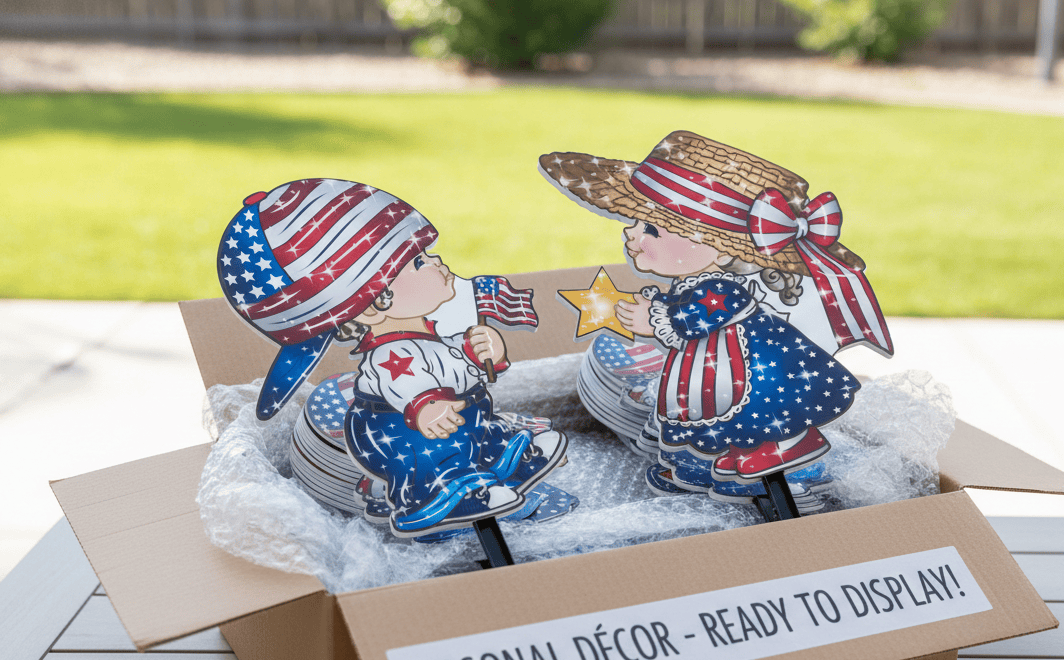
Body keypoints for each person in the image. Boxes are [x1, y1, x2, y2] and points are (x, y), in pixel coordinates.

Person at [539, 131, 892, 499]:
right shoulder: (692, 284)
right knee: (708, 409)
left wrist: (656, 319)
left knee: (747, 409)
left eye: (652, 229)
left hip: (747, 369)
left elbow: (696, 317)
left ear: (720, 252)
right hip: (709, 367)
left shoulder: (724, 289)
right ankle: (711, 464)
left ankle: (778, 451)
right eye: (636, 222)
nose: (631, 234)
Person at [218, 177, 566, 539]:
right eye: (418, 262)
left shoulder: (428, 334)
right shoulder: (390, 355)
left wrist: (482, 355)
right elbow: (407, 385)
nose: (437, 261)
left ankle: (503, 455)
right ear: (371, 305)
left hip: (448, 418)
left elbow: (450, 367)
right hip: (396, 432)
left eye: (425, 254)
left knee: (476, 427)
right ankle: (445, 493)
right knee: (434, 455)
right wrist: (424, 407)